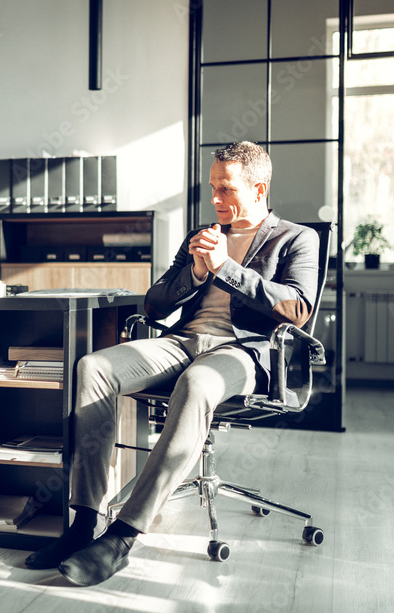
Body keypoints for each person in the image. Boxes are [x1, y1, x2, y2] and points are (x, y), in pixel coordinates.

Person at [25, 141, 320, 585]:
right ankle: (83, 523)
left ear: (259, 188)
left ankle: (121, 538)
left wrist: (227, 269)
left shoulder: (297, 238)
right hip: (182, 341)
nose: (216, 199)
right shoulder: (202, 235)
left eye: (227, 188)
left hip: (245, 353)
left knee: (199, 383)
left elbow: (296, 309)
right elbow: (155, 304)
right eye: (213, 188)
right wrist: (197, 273)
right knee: (94, 367)